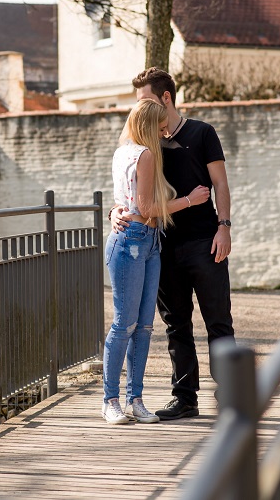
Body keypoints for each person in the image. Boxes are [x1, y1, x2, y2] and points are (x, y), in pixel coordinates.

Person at [111, 67, 235, 421]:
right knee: (175, 324)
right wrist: (115, 211)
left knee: (218, 322)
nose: (140, 110)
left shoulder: (202, 132)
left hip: (204, 241)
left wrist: (224, 227)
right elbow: (130, 189)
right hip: (161, 245)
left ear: (166, 98)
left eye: (146, 100)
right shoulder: (146, 145)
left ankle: (228, 398)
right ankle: (185, 398)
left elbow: (220, 185)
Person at [101, 98, 210, 424]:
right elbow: (146, 209)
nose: (165, 131)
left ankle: (136, 399)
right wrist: (190, 200)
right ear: (149, 125)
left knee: (144, 327)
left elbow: (127, 201)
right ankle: (111, 401)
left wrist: (113, 212)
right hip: (133, 241)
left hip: (147, 242)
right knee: (125, 325)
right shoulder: (145, 154)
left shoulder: (124, 150)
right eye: (161, 126)